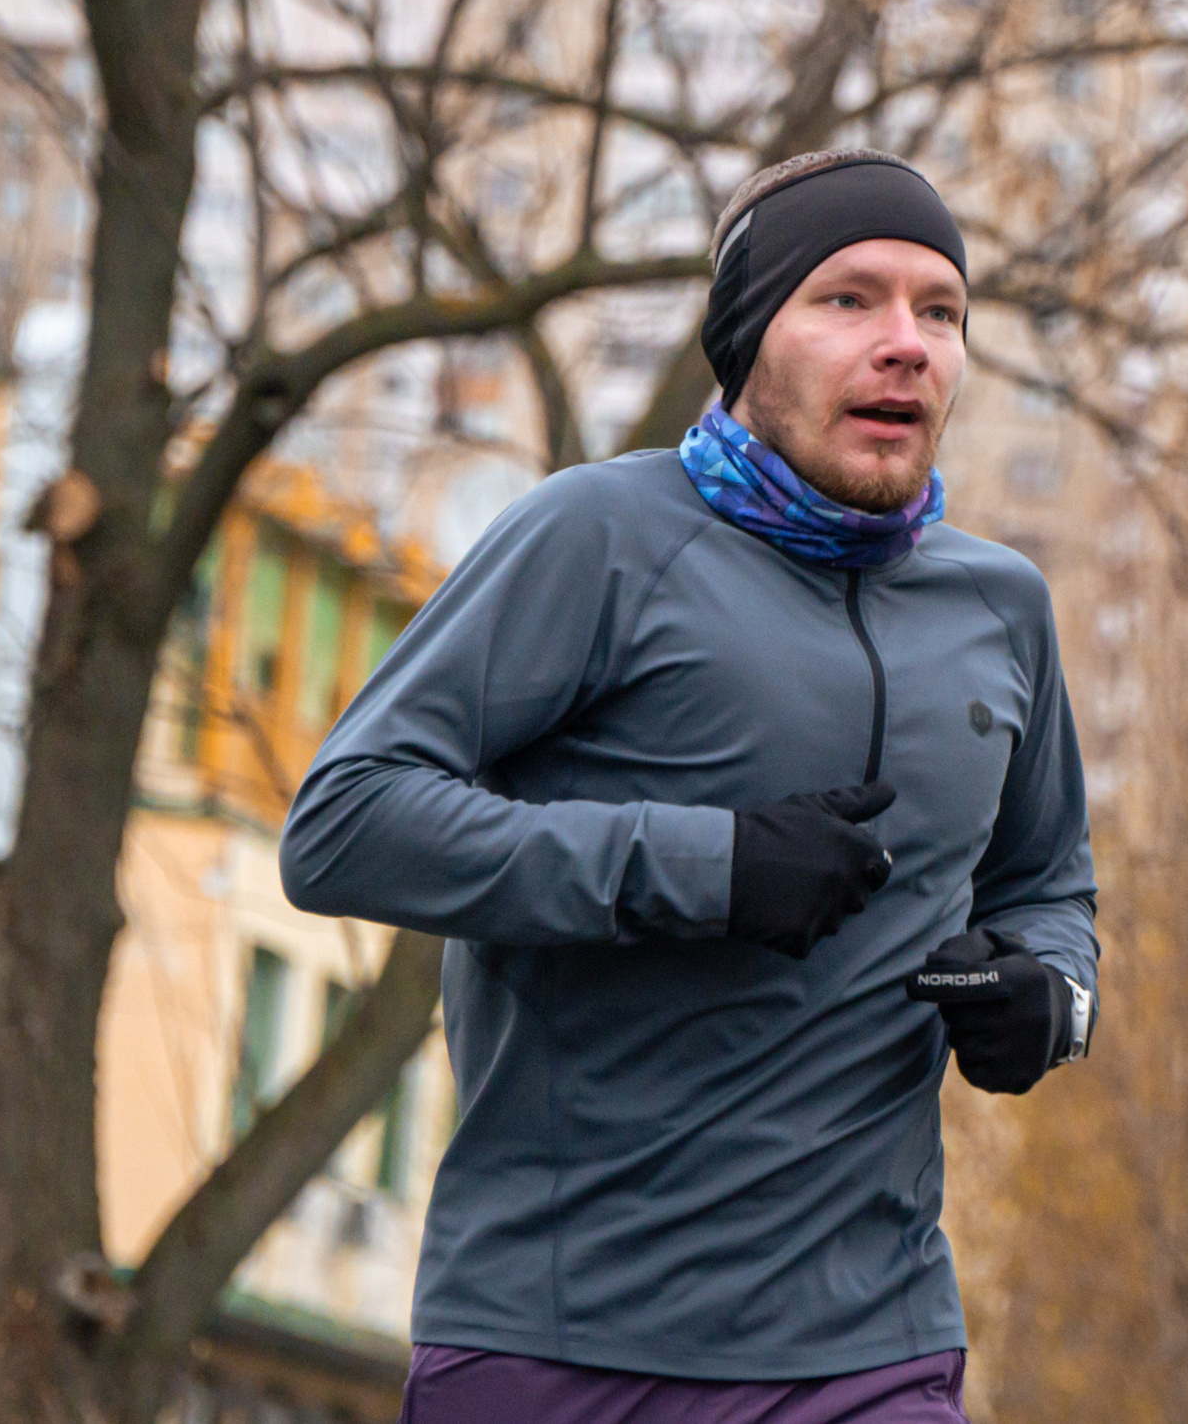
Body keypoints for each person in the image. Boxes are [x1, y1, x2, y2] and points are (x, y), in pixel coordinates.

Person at [280, 148, 1100, 1424]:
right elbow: (344, 824)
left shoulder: (1000, 606)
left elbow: (1051, 886)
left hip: (870, 1347)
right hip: (560, 1343)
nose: (907, 345)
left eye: (939, 312)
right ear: (744, 339)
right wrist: (701, 867)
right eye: (849, 300)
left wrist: (1050, 999)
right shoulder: (597, 536)